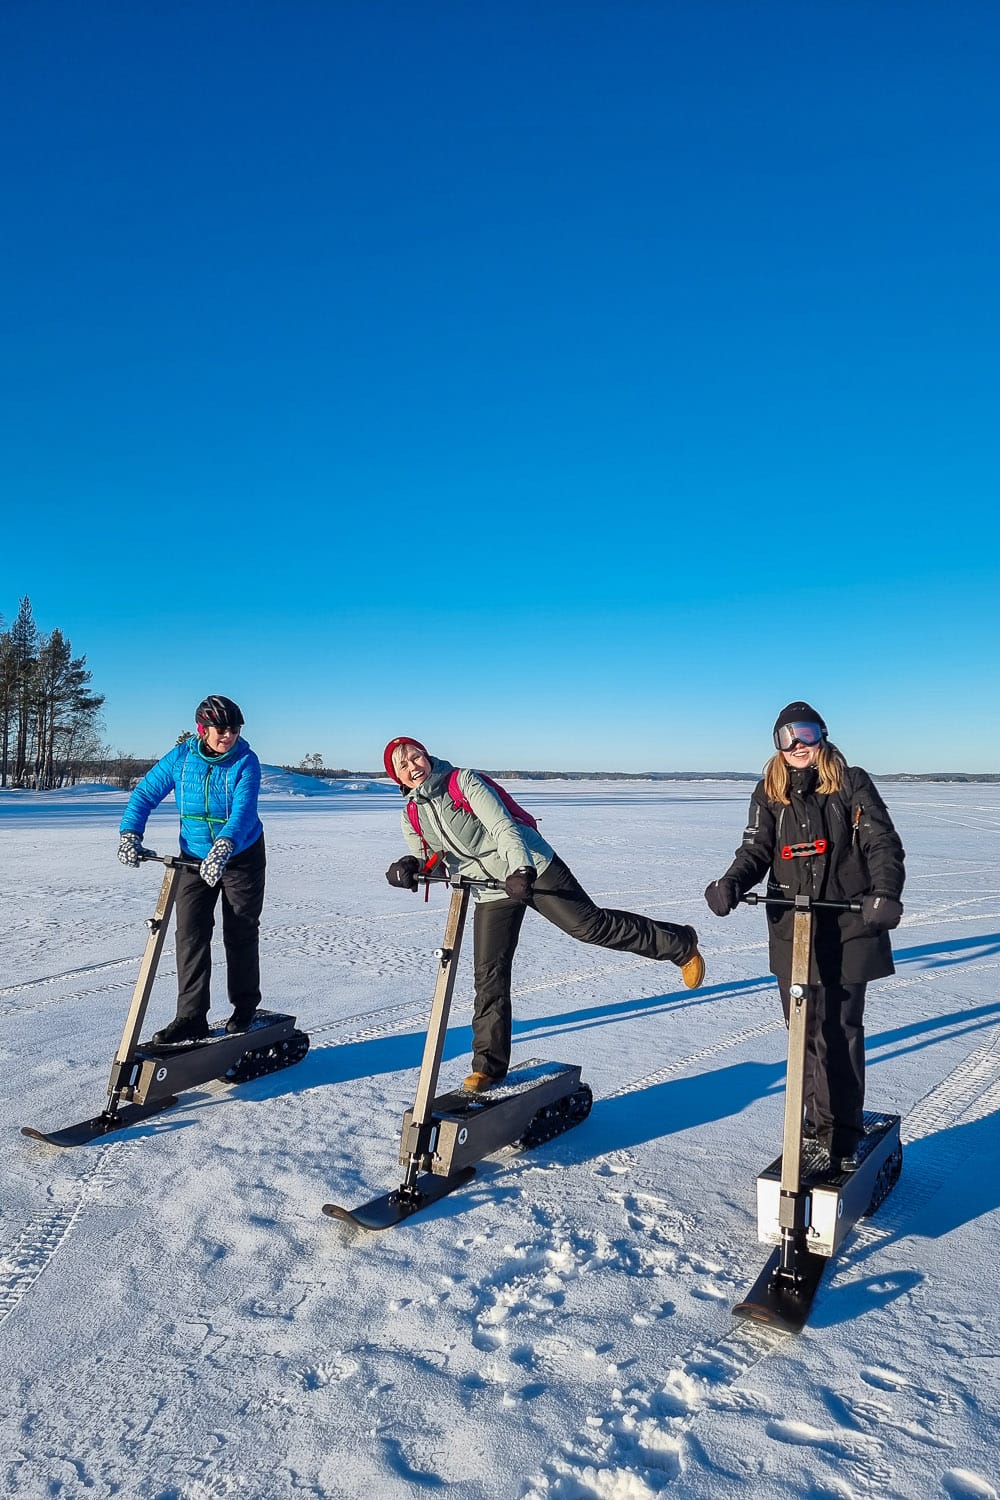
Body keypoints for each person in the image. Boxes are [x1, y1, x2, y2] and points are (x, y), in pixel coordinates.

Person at [382, 737, 706, 1093]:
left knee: (589, 926)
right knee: (489, 976)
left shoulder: (464, 782)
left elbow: (502, 826)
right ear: (396, 776)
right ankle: (488, 1068)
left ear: (427, 757)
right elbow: (432, 857)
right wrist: (410, 866)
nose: (414, 766)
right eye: (404, 765)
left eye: (417, 757)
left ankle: (679, 944)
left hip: (530, 866)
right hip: (489, 889)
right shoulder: (411, 813)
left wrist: (520, 869)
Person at [703, 701, 905, 1171]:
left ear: (822, 736)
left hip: (849, 926)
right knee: (803, 1031)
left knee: (839, 1030)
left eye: (806, 734)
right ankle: (814, 1122)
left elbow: (881, 842)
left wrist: (885, 892)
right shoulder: (768, 790)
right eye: (786, 737)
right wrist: (732, 882)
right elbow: (756, 848)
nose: (797, 745)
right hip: (792, 929)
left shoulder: (850, 782)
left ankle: (841, 1132)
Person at [117, 695, 266, 1045]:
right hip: (194, 856)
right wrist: (130, 833)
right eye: (220, 729)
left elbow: (243, 811)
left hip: (241, 855)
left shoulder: (246, 761)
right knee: (190, 934)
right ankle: (191, 1016)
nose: (227, 735)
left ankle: (245, 1006)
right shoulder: (182, 757)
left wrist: (226, 845)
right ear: (203, 729)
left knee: (240, 931)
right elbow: (144, 794)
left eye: (234, 729)